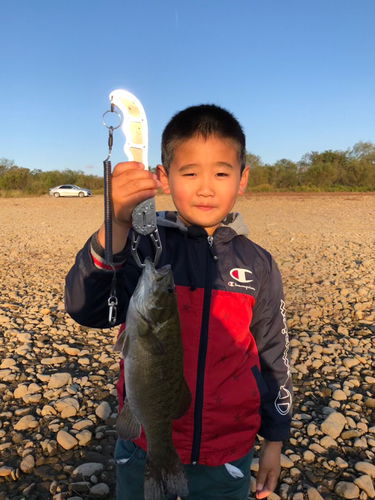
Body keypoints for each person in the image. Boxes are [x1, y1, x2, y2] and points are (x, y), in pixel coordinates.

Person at [65, 104, 293, 500]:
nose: (206, 187)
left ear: (243, 179)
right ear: (163, 178)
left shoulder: (259, 265)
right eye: (189, 173)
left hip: (228, 453)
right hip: (142, 448)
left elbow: (275, 354)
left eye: (222, 173)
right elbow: (88, 308)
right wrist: (117, 222)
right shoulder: (143, 243)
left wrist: (273, 439)